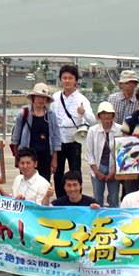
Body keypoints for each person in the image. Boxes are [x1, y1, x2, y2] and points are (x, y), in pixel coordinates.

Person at [52, 64, 95, 198]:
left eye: (70, 78)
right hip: (58, 140)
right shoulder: (55, 97)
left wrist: (83, 114)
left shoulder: (82, 99)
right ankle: (60, 199)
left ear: (75, 80)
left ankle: (77, 198)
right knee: (58, 172)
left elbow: (93, 121)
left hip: (74, 140)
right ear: (61, 79)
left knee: (75, 171)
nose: (67, 81)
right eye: (64, 78)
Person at [10, 82, 61, 183]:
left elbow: (56, 138)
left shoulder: (51, 116)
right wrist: (17, 158)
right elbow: (15, 138)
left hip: (45, 156)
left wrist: (54, 159)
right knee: (26, 182)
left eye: (44, 98)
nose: (41, 100)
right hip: (28, 157)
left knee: (44, 183)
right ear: (33, 98)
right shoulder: (24, 114)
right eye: (38, 97)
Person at [86, 101, 118, 207]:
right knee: (98, 198)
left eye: (109, 113)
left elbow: (122, 152)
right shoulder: (92, 130)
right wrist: (96, 171)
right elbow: (89, 153)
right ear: (99, 116)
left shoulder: (120, 129)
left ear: (113, 115)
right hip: (98, 168)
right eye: (103, 113)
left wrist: (114, 171)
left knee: (113, 198)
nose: (106, 116)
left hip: (114, 168)